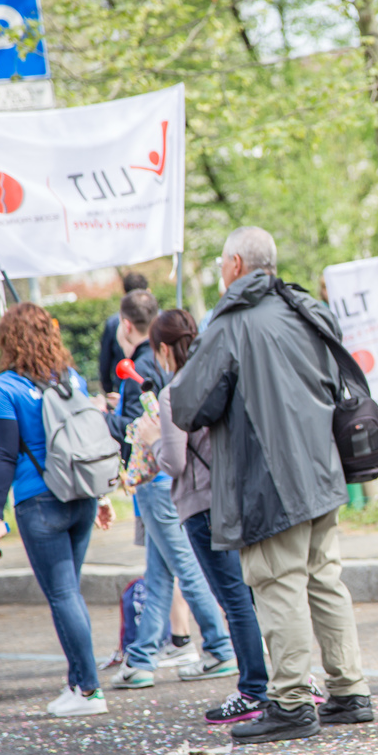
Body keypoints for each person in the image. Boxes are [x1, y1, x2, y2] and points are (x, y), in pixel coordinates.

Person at [170, 226, 373, 745]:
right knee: (325, 578)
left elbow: (189, 406)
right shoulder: (305, 308)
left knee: (277, 584)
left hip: (267, 478)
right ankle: (349, 691)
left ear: (235, 263)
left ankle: (289, 702)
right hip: (322, 468)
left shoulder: (231, 323)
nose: (220, 270)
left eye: (220, 261)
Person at [134, 308, 271, 724]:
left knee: (233, 599)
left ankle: (253, 688)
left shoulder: (175, 391)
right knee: (254, 594)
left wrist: (153, 439)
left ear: (162, 349)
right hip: (237, 497)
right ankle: (282, 680)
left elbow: (174, 462)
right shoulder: (219, 375)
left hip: (201, 505)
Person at [0, 303, 113, 717]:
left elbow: (4, 454)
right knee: (69, 593)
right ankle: (78, 682)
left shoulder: (6, 387)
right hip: (82, 495)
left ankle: (89, 690)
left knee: (63, 595)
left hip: (40, 501)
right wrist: (104, 494)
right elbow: (90, 435)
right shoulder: (69, 377)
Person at [107, 290, 236, 691]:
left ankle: (220, 646)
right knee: (160, 571)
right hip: (165, 482)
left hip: (159, 480)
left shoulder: (146, 371)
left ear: (127, 325)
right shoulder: (188, 371)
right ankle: (143, 657)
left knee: (185, 568)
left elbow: (144, 430)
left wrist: (106, 418)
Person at [99, 272, 149, 395]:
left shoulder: (114, 323)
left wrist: (109, 390)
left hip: (125, 387)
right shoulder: (160, 318)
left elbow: (105, 362)